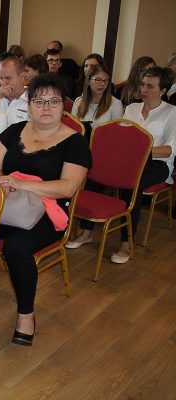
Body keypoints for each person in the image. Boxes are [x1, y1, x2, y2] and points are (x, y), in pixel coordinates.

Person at [0, 73, 91, 346]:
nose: (46, 107)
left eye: (54, 101)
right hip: (9, 204)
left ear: (63, 105)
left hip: (49, 212)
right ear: (29, 104)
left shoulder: (75, 142)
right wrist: (3, 181)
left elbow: (67, 187)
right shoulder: (15, 130)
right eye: (39, 101)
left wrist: (22, 184)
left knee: (16, 247)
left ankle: (26, 315)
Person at [67, 67, 175, 263]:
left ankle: (126, 243)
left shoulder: (172, 113)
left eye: (150, 86)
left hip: (157, 164)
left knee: (132, 184)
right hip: (127, 161)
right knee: (94, 173)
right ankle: (86, 231)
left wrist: (139, 152)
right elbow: (120, 138)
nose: (143, 90)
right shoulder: (132, 108)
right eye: (142, 84)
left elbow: (169, 149)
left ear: (163, 90)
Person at [72, 64, 123, 131]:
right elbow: (73, 128)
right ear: (88, 82)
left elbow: (116, 132)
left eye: (106, 80)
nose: (102, 84)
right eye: (98, 80)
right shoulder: (78, 101)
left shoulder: (116, 103)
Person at [0, 54, 30, 124]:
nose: (3, 83)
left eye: (8, 78)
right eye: (0, 78)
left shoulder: (33, 101)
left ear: (22, 77)